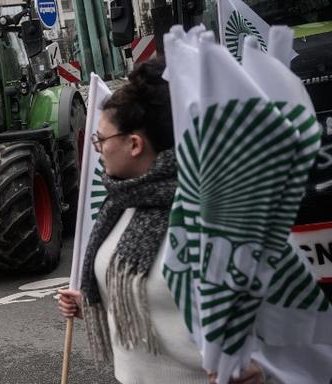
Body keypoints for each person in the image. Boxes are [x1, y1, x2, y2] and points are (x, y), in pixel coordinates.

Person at [55, 58, 266, 384]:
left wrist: (256, 372)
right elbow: (146, 300)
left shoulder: (204, 213)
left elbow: (265, 325)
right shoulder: (120, 203)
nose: (97, 150)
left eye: (101, 140)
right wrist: (96, 300)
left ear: (134, 144)